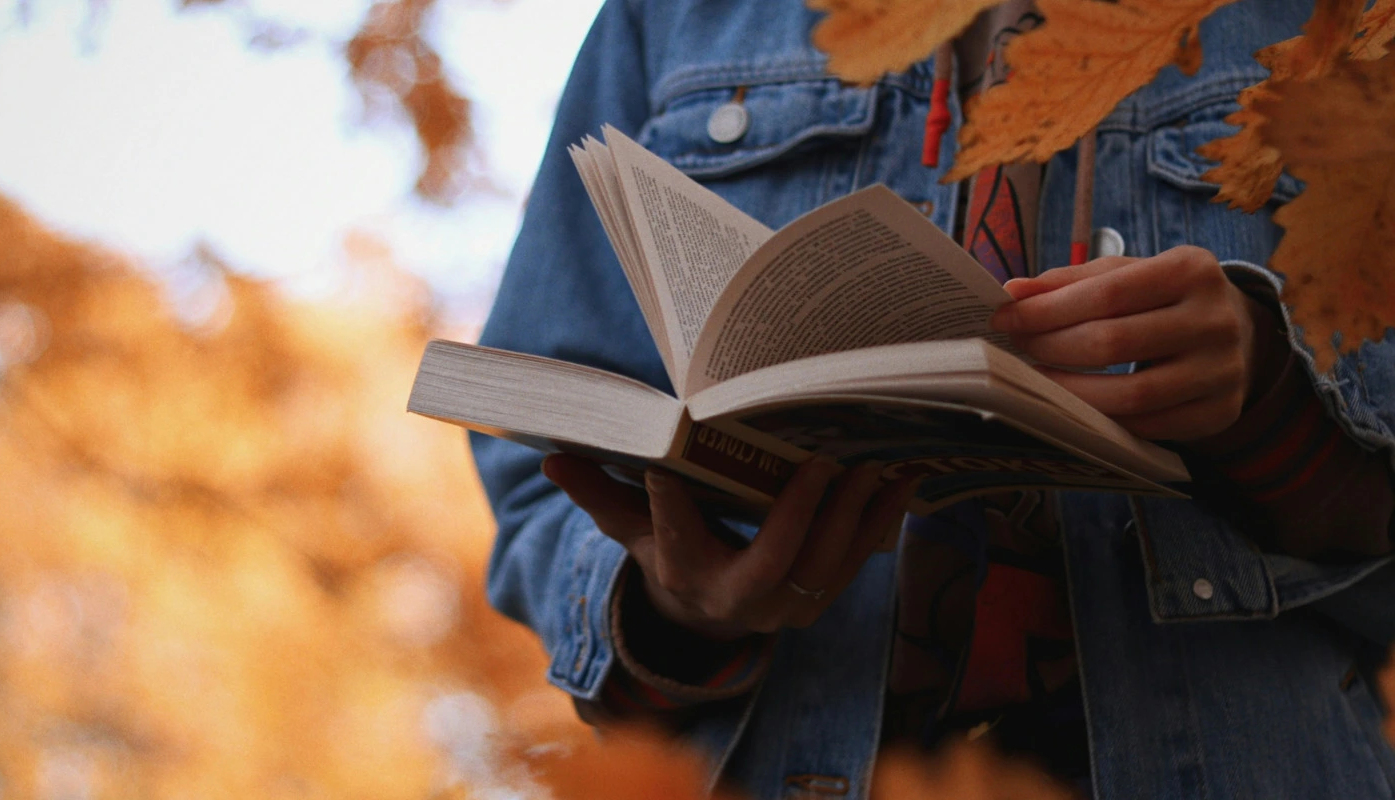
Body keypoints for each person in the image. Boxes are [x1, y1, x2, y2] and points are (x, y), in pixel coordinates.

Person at [470, 0, 1395, 797]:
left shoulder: (1345, 27)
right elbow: (541, 459)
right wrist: (677, 608)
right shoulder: (679, 16)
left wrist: (1274, 406)